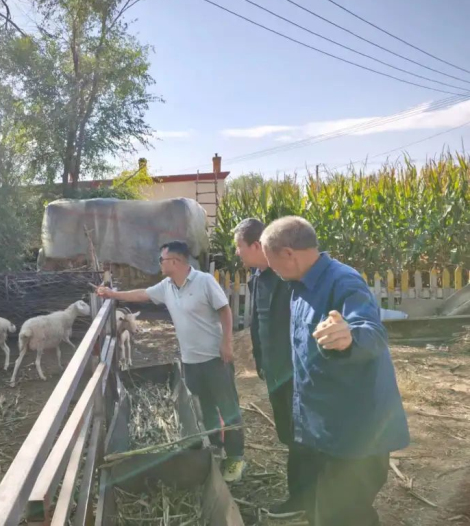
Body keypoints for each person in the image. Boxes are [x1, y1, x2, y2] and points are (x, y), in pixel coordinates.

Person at [260, 216, 410, 526]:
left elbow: (372, 332)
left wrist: (349, 336)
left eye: (271, 262)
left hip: (355, 433)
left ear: (288, 253)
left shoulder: (344, 282)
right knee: (325, 511)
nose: (271, 269)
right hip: (324, 427)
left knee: (344, 515)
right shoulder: (299, 285)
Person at [95, 240, 246, 482]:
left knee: (228, 407)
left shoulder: (204, 281)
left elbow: (225, 310)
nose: (159, 264)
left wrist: (227, 342)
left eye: (162, 260)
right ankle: (215, 447)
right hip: (190, 360)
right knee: (202, 406)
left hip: (215, 358)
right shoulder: (167, 286)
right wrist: (112, 294)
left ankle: (236, 457)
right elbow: (142, 294)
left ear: (175, 262)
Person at [234, 218, 310, 519]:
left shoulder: (288, 278)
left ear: (256, 245)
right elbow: (258, 323)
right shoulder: (258, 277)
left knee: (301, 436)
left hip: (296, 373)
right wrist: (260, 360)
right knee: (289, 435)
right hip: (275, 371)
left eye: (239, 246)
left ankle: (303, 498)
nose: (237, 253)